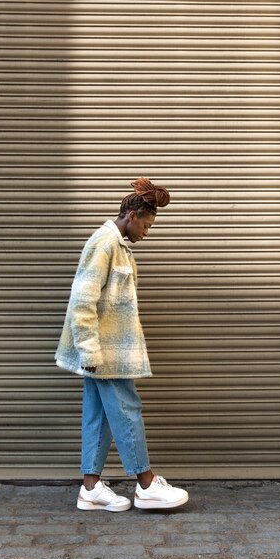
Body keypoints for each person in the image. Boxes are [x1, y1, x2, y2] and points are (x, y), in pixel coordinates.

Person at [55, 178, 189, 512]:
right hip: (103, 351)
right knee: (127, 408)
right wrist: (90, 350)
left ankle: (90, 488)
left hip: (103, 350)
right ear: (131, 215)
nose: (147, 231)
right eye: (147, 224)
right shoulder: (104, 244)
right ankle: (146, 484)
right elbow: (82, 302)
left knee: (98, 415)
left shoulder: (116, 244)